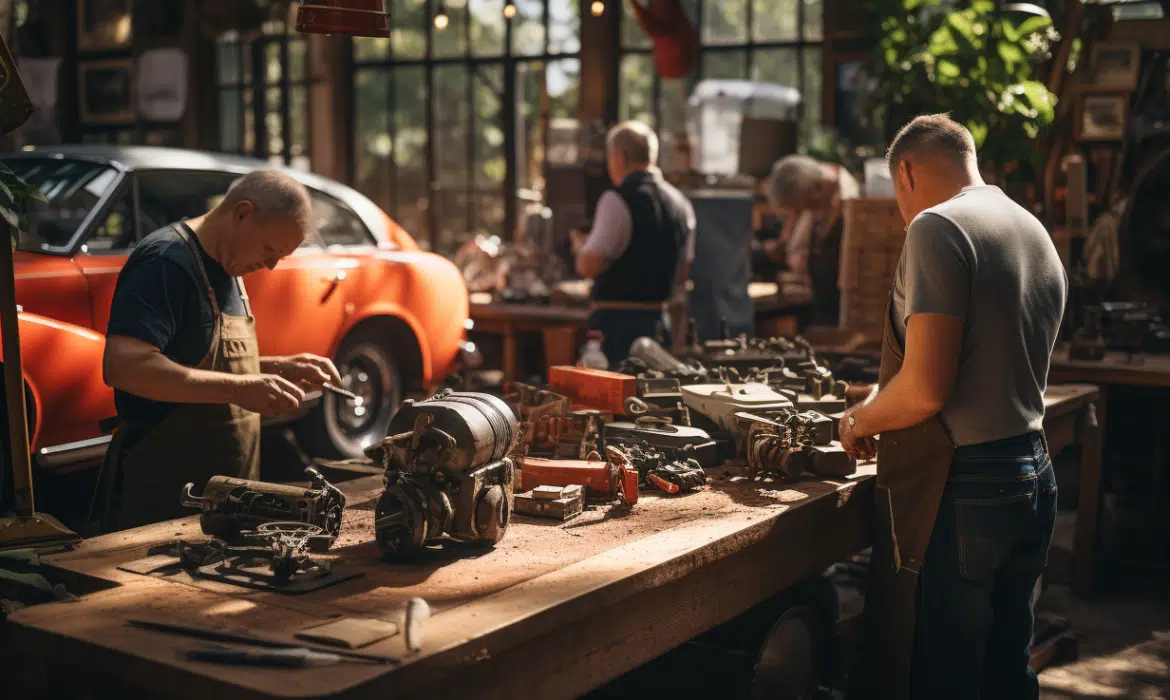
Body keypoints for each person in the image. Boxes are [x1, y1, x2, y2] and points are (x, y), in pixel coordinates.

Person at [840, 114, 1067, 700]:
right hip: (1032, 470)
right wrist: (877, 398)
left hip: (965, 483)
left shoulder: (937, 228)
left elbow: (925, 391)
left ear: (907, 171)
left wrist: (858, 420)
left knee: (943, 676)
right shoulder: (1030, 228)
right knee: (1004, 671)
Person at [92, 170, 343, 531]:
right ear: (242, 214)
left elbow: (195, 357)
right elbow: (125, 366)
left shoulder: (231, 264)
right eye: (270, 251)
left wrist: (278, 367)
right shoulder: (166, 261)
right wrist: (241, 388)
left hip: (226, 502)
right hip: (163, 496)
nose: (271, 266)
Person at [572, 120, 696, 365]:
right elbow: (684, 270)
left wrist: (579, 249)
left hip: (618, 329)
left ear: (618, 158)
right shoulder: (681, 203)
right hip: (661, 324)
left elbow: (590, 265)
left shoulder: (616, 200)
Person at [763, 154, 860, 326]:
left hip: (846, 310)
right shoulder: (814, 189)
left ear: (818, 189)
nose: (808, 212)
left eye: (808, 206)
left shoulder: (854, 201)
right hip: (819, 305)